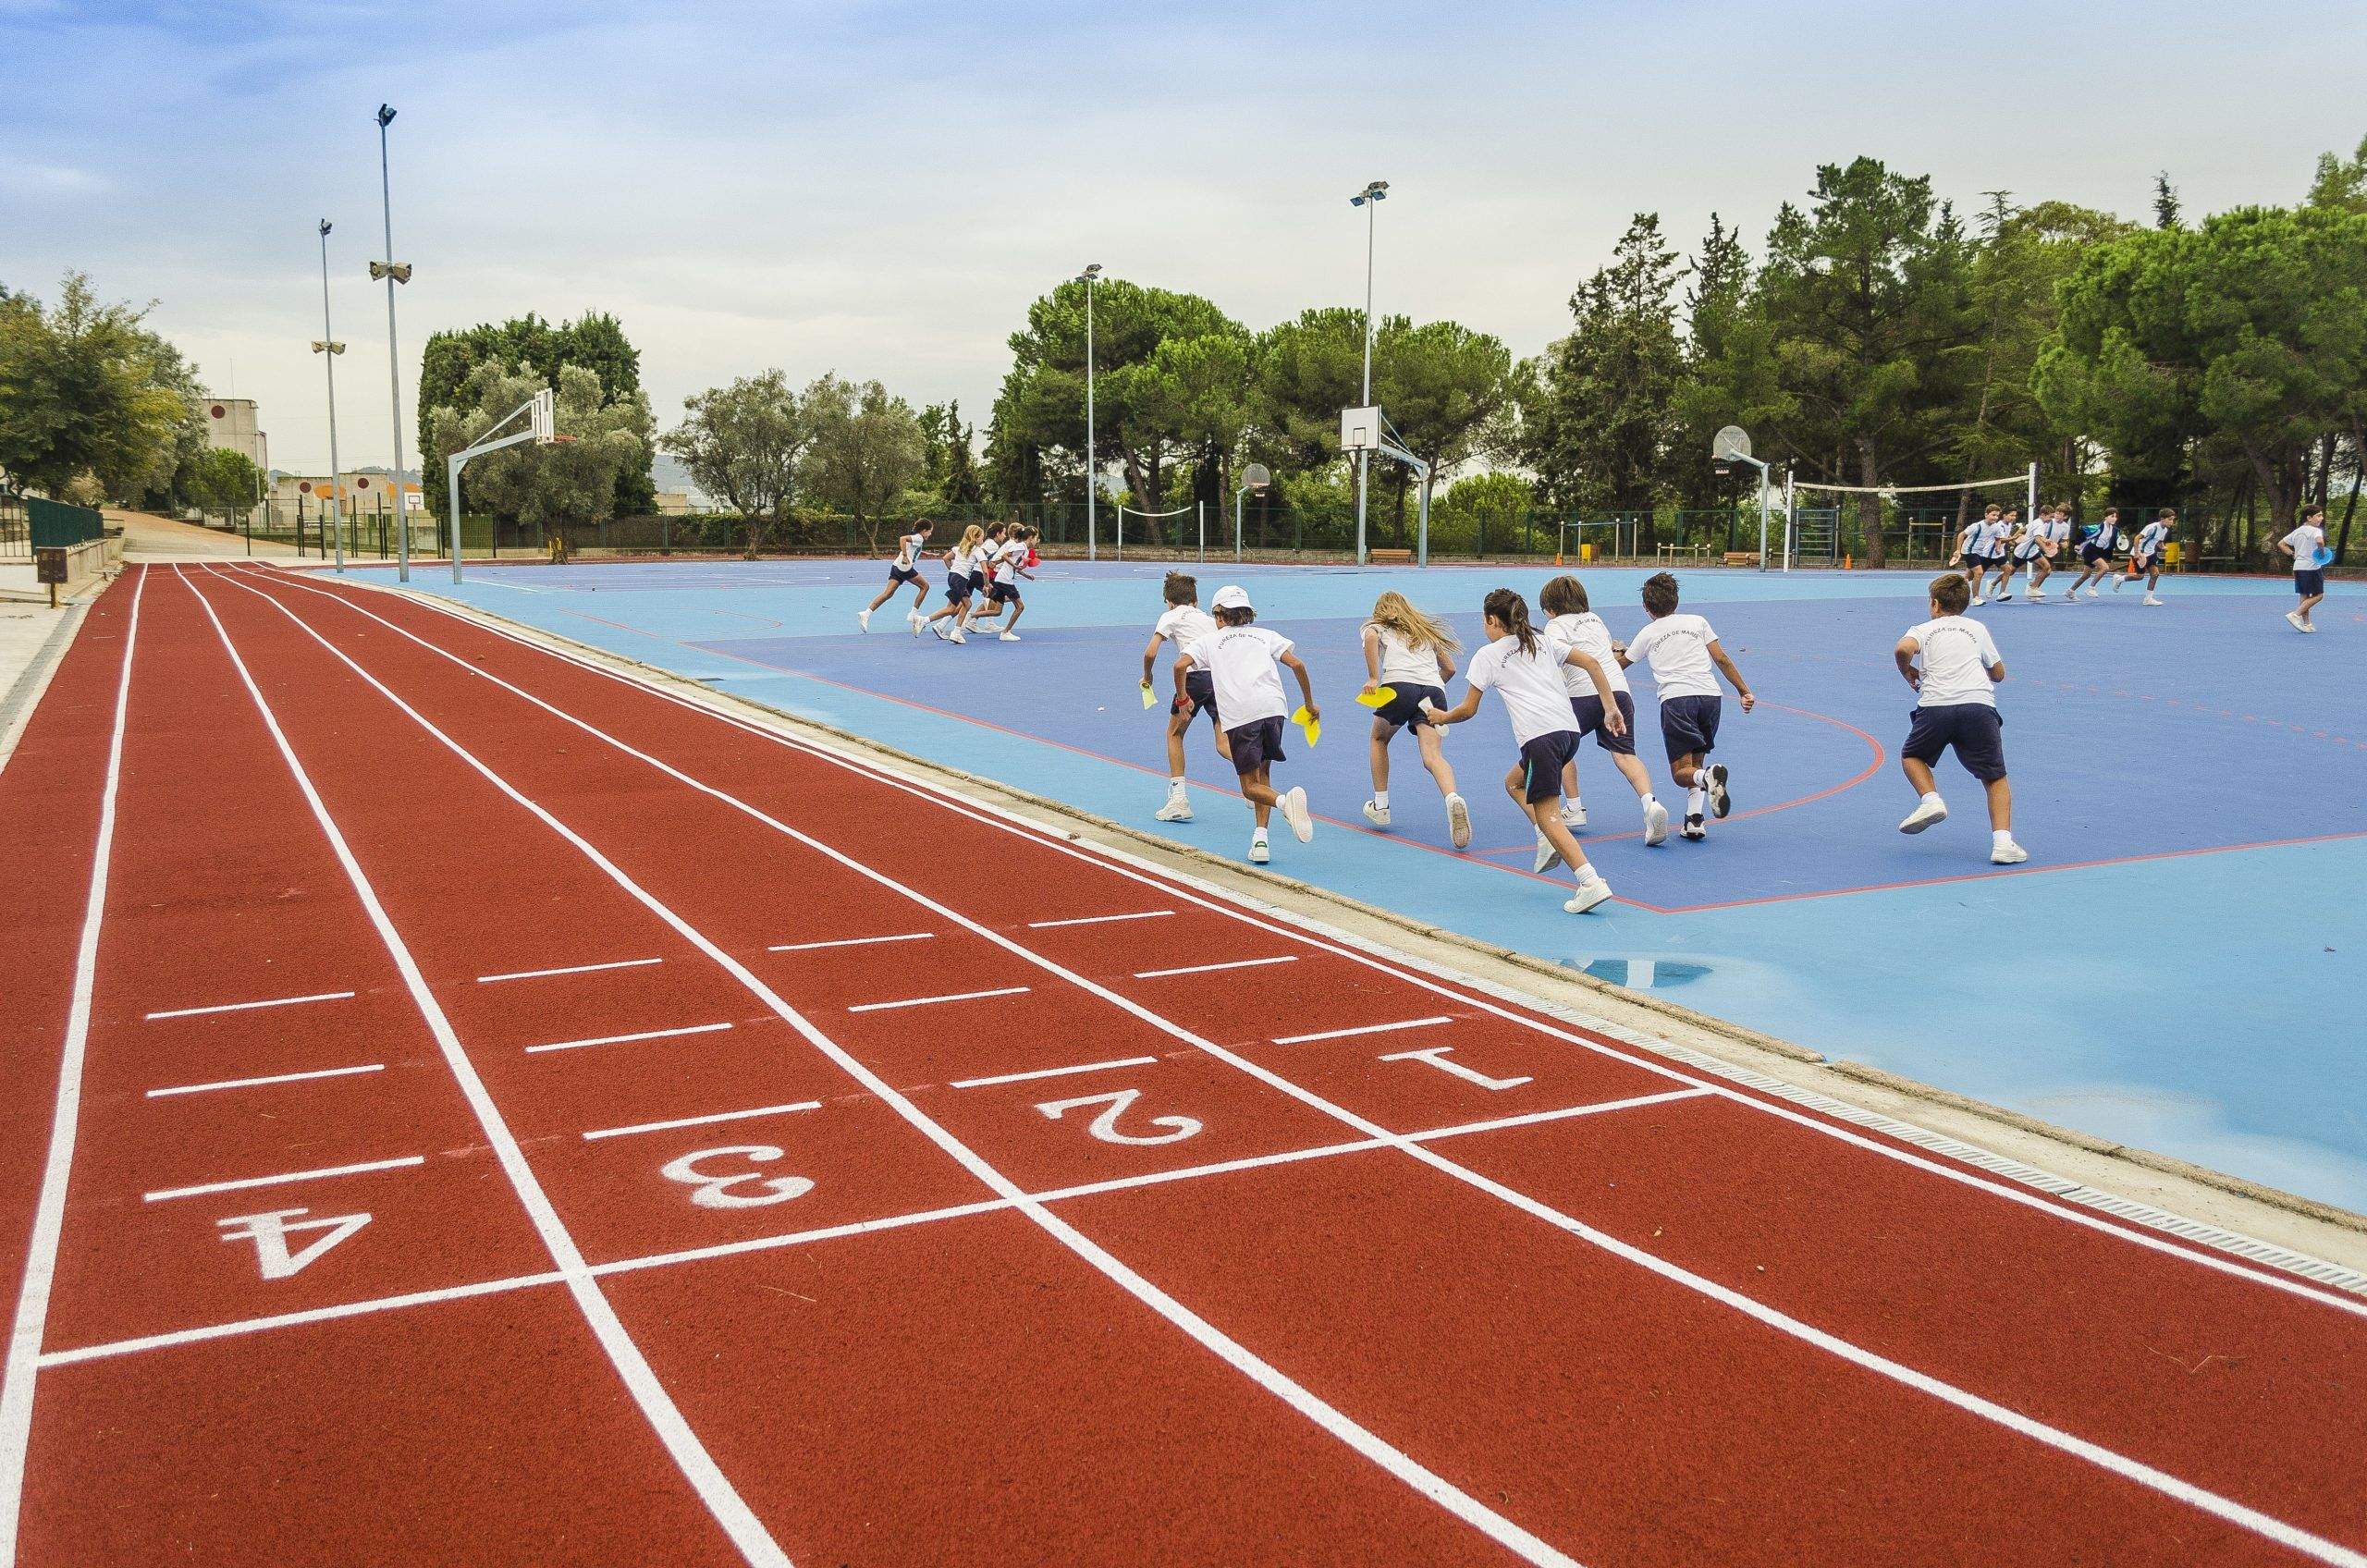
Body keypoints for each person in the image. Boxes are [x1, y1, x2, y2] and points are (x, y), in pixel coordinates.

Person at [1421, 588, 1618, 913]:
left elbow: (1469, 709)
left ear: (1492, 620)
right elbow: (1593, 663)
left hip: (1540, 737)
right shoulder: (1542, 641)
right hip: (1568, 733)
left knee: (1550, 813)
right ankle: (1545, 836)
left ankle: (1590, 882)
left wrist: (1442, 717)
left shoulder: (1488, 655)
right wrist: (1610, 709)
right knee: (1514, 783)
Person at [1895, 572, 2026, 864]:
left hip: (1935, 706)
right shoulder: (1977, 628)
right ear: (1965, 604)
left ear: (1934, 604)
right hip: (1978, 706)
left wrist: (1907, 670)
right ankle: (2003, 842)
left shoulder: (1923, 629)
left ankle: (1931, 799)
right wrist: (1989, 671)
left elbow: (1902, 648)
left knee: (1912, 756)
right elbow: (1999, 673)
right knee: (1995, 777)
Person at [1618, 572, 1755, 841]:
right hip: (1709, 698)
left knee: (1682, 772)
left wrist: (1613, 652)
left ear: (1646, 608)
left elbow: (1621, 664)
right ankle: (1695, 820)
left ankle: (1709, 776)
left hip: (1677, 700)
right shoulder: (1697, 621)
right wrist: (1744, 691)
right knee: (1696, 761)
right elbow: (1722, 659)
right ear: (1676, 601)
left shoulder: (1648, 632)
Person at [1184, 585, 1316, 864]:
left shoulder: (1209, 641)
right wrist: (1310, 704)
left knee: (1248, 786)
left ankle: (1283, 802)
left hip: (1241, 715)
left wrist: (1184, 698)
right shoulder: (1265, 635)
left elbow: (1178, 666)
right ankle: (1260, 840)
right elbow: (1298, 665)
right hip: (1274, 709)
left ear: (1219, 615)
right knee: (1263, 774)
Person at [1539, 574, 1668, 846]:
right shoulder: (1595, 620)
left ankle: (1573, 808)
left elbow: (1555, 662)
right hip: (1617, 691)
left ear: (1550, 609)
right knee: (1625, 755)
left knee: (1557, 745)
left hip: (1583, 695)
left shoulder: (1554, 627)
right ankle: (1650, 804)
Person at [1356, 591, 1470, 848]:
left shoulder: (1376, 626)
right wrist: (1431, 686)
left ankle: (1381, 805)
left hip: (1398, 686)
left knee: (1378, 738)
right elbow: (1450, 668)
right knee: (1433, 757)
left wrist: (1374, 677)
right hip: (1433, 689)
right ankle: (1452, 797)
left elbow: (1371, 638)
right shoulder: (1424, 631)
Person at [1143, 571, 1228, 820]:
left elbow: (1150, 652)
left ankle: (1179, 801)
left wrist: (1148, 677)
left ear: (1169, 601)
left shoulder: (1170, 615)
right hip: (1220, 679)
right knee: (1223, 742)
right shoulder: (1209, 619)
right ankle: (1253, 780)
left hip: (1194, 679)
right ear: (1196, 601)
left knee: (1174, 734)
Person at [858, 521, 934, 631]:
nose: (930, 534)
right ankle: (913, 614)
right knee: (925, 586)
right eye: (930, 532)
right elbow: (902, 539)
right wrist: (904, 555)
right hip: (905, 568)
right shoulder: (919, 538)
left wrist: (926, 554)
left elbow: (912, 549)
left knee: (888, 593)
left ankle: (866, 613)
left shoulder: (916, 538)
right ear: (924, 531)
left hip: (896, 566)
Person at [923, 524, 986, 643]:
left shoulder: (960, 548)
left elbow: (946, 558)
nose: (983, 539)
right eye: (982, 537)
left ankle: (953, 631)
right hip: (961, 579)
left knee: (966, 604)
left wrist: (953, 570)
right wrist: (987, 585)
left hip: (955, 577)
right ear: (976, 537)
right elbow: (985, 571)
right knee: (951, 608)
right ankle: (924, 620)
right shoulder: (977, 550)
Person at [2277, 504, 2330, 633]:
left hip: (2298, 567)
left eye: (2321, 515)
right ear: (2309, 518)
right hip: (2312, 567)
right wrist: (2322, 552)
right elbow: (2320, 542)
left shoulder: (2297, 531)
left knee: (2304, 595)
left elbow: (2281, 544)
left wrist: (2292, 554)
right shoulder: (2316, 531)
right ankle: (2296, 614)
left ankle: (2307, 624)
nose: (2321, 518)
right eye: (2318, 516)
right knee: (2319, 595)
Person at [2065, 507, 2124, 599]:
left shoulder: (2115, 530)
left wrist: (2122, 542)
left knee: (2086, 575)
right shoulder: (2098, 527)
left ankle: (2070, 591)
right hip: (2090, 550)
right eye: (2112, 516)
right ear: (2105, 517)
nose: (2114, 519)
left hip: (2099, 552)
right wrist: (2077, 544)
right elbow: (2082, 531)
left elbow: (2118, 542)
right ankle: (2091, 588)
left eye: (2116, 517)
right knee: (2105, 568)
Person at [2120, 509, 2174, 605]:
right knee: (2140, 576)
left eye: (2173, 520)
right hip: (2140, 553)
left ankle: (2148, 599)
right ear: (2162, 519)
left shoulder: (2165, 530)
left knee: (2155, 574)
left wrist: (2163, 547)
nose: (2172, 522)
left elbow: (2158, 541)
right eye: (2170, 519)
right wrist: (2137, 553)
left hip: (2151, 553)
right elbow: (2137, 538)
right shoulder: (2152, 527)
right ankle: (2119, 579)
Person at [1951, 505, 2002, 603]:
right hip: (1969, 551)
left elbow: (1998, 538)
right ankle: (1976, 598)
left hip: (1979, 552)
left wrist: (1998, 548)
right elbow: (1961, 535)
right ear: (1986, 515)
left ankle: (1951, 585)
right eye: (1993, 515)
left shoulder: (1996, 527)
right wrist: (1958, 550)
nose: (1995, 517)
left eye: (1997, 515)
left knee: (1967, 578)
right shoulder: (1976, 526)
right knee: (1979, 573)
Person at [1985, 505, 2027, 603]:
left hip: (1999, 553)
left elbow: (2007, 538)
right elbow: (2000, 540)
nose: (2014, 518)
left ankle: (2001, 593)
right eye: (2012, 515)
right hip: (1989, 553)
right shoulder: (1999, 525)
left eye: (2015, 516)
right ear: (2004, 515)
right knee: (1974, 574)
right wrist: (2013, 539)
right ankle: (1958, 585)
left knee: (2008, 570)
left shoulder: (2008, 525)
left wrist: (2014, 542)